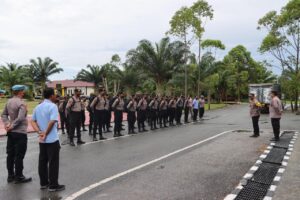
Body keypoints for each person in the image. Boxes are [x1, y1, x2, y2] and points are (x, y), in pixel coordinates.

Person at [31, 88, 65, 192]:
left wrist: (39, 132)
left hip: (42, 140)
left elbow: (33, 121)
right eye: (55, 94)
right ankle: (53, 185)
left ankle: (44, 183)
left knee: (42, 161)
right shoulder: (53, 106)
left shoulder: (38, 107)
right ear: (51, 96)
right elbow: (52, 121)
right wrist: (45, 132)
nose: (56, 96)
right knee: (53, 162)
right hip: (52, 139)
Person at [1, 85, 32, 184]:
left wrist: (7, 124)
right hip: (20, 132)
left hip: (11, 133)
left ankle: (10, 176)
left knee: (10, 154)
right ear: (19, 92)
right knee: (19, 155)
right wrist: (12, 125)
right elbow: (21, 118)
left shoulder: (9, 101)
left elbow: (4, 114)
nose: (23, 93)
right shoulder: (21, 103)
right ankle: (19, 176)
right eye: (22, 91)